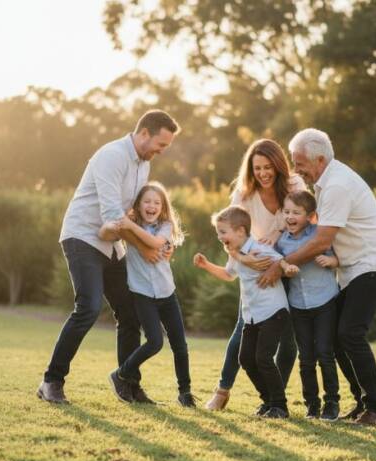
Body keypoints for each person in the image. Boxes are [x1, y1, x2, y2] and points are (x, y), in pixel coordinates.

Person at [258, 128, 376, 427]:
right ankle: (364, 403)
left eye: (299, 163)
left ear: (319, 159)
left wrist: (280, 264)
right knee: (339, 335)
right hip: (356, 266)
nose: (296, 169)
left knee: (349, 333)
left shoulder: (336, 185)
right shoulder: (327, 181)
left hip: (372, 264)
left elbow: (321, 241)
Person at [37, 110, 180, 405]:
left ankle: (129, 384)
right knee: (88, 307)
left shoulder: (143, 165)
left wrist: (162, 242)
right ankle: (51, 381)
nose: (161, 151)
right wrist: (144, 247)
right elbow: (113, 217)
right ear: (144, 134)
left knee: (130, 313)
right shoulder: (112, 156)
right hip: (83, 237)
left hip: (113, 244)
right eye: (160, 144)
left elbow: (135, 217)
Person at [203, 139, 305, 411]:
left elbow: (306, 219)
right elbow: (228, 233)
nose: (263, 173)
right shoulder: (244, 194)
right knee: (242, 331)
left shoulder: (294, 185)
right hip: (256, 264)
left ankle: (276, 399)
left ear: (279, 166)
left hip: (289, 262)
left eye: (268, 167)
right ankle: (222, 391)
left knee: (288, 338)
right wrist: (243, 258)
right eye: (257, 168)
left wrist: (276, 234)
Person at [194, 206, 297, 418]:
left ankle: (279, 406)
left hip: (273, 311)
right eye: (218, 232)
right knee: (246, 359)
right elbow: (229, 275)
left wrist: (286, 269)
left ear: (240, 231)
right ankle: (268, 401)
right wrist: (206, 265)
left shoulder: (258, 249)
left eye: (223, 232)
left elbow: (279, 260)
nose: (219, 236)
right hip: (252, 315)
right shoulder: (236, 254)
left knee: (263, 358)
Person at [100, 182, 195, 407]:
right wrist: (122, 223)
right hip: (142, 295)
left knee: (180, 345)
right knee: (154, 342)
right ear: (138, 205)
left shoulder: (165, 226)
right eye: (147, 201)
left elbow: (153, 242)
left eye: (157, 202)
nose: (152, 206)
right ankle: (121, 374)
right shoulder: (128, 224)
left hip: (166, 294)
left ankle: (185, 392)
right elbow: (103, 233)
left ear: (163, 208)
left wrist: (130, 227)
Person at [274, 190, 341, 421]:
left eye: (296, 212)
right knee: (306, 357)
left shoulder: (318, 235)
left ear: (310, 216)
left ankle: (332, 402)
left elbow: (339, 257)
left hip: (324, 302)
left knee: (324, 353)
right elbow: (275, 264)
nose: (290, 216)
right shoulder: (281, 241)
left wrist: (331, 260)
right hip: (298, 306)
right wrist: (284, 267)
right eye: (287, 211)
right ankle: (312, 404)